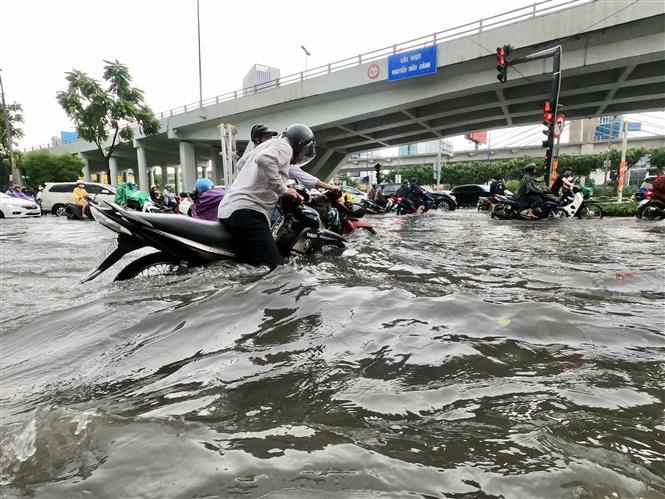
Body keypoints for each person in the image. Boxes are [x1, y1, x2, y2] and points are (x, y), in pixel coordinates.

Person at [217, 123, 316, 269]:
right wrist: (283, 189)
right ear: (299, 144)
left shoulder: (267, 145)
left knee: (247, 264)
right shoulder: (285, 147)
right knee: (273, 268)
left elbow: (241, 163)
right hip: (249, 212)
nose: (302, 157)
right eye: (304, 151)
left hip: (229, 210)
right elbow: (265, 160)